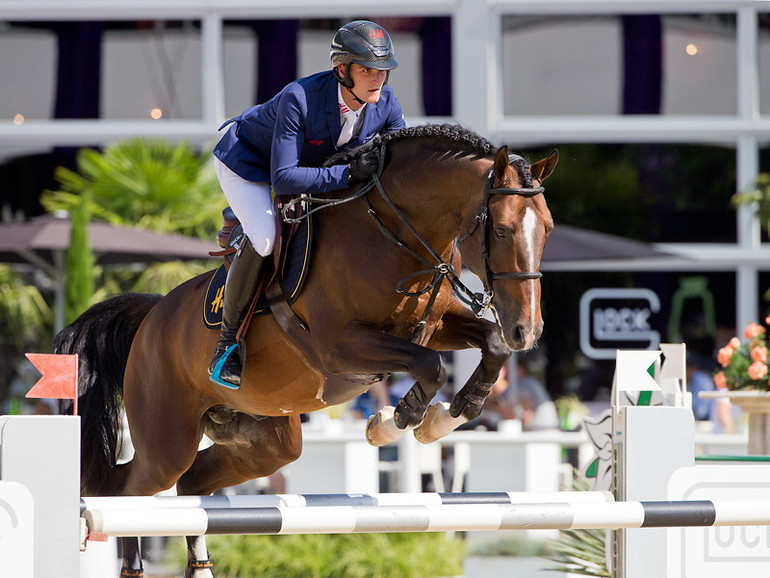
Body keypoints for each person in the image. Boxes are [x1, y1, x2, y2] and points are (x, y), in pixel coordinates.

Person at [209, 20, 406, 388]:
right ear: (342, 70)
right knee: (266, 237)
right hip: (247, 165)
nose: (377, 79)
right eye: (367, 70)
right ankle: (226, 345)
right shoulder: (298, 97)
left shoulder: (387, 104)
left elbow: (392, 166)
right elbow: (283, 177)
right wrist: (348, 176)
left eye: (382, 71)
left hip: (308, 169)